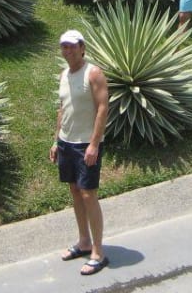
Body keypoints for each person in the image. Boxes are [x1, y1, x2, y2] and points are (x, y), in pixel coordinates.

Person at [48, 29, 110, 276]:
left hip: (86, 144)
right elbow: (62, 109)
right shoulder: (64, 74)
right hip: (66, 142)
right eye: (64, 46)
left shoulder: (93, 73)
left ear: (82, 48)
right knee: (75, 190)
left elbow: (103, 108)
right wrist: (56, 141)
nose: (68, 50)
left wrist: (94, 144)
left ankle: (98, 252)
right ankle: (84, 242)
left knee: (88, 194)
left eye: (73, 46)